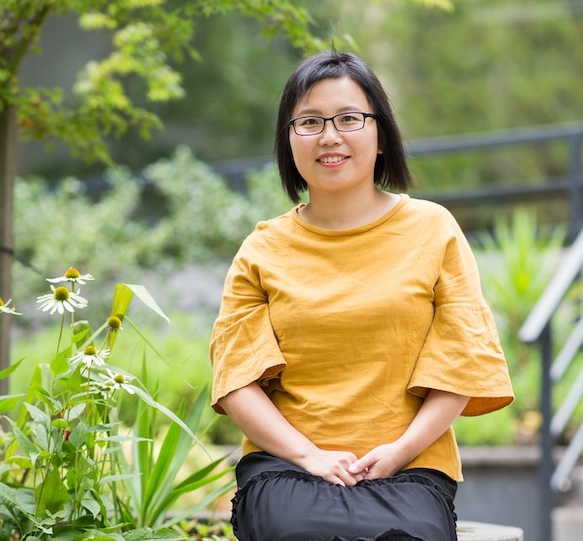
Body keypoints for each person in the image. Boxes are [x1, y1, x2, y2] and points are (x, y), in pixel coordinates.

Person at [209, 50, 514, 541]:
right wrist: (310, 456)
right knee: (297, 533)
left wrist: (397, 451)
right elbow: (237, 380)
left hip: (409, 465)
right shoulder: (262, 249)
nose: (329, 136)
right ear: (289, 141)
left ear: (380, 134)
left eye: (348, 118)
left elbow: (462, 363)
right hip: (288, 467)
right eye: (309, 121)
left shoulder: (433, 230)